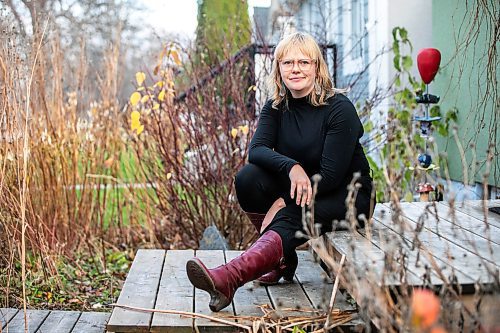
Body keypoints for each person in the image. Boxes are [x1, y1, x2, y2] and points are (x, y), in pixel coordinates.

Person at [186, 32, 375, 312]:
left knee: (289, 214)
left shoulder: (339, 109)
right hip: (302, 189)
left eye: (303, 62)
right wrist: (292, 167)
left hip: (347, 196)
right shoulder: (276, 107)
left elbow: (332, 176)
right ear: (278, 69)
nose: (295, 69)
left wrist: (284, 201)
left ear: (316, 67)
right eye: (287, 63)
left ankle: (228, 278)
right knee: (248, 179)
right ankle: (284, 259)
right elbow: (258, 150)